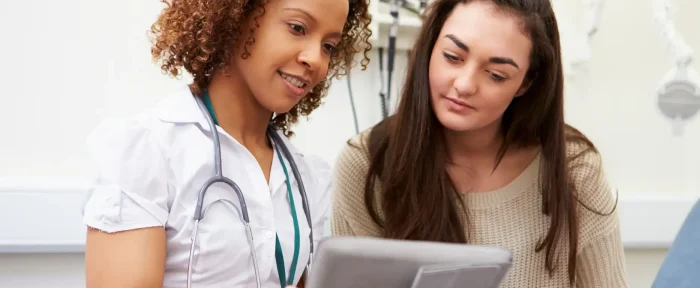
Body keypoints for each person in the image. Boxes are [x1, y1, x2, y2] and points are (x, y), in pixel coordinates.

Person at [331, 0, 628, 287]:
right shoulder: (366, 164)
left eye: (496, 75)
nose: (464, 84)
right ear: (431, 46)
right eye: (452, 57)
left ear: (525, 83)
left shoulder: (574, 169)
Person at [81, 0, 371, 287]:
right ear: (237, 17)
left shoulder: (307, 178)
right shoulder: (146, 151)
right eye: (297, 28)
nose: (315, 59)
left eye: (328, 46)